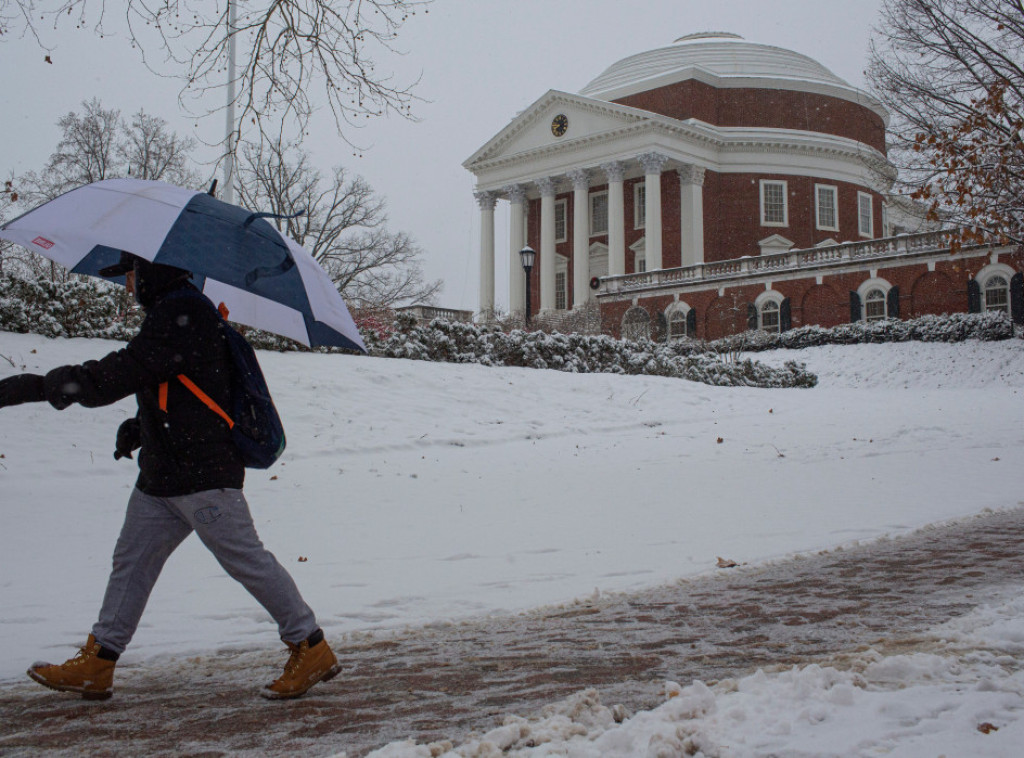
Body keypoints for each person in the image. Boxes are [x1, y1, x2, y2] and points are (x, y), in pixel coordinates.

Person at [0, 252, 340, 701]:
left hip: (203, 475)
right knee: (132, 563)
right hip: (164, 475)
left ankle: (309, 645)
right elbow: (176, 384)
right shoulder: (175, 312)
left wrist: (37, 387)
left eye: (129, 273)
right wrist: (141, 428)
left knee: (246, 560)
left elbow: (120, 372)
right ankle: (99, 662)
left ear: (149, 271)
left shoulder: (184, 313)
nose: (127, 284)